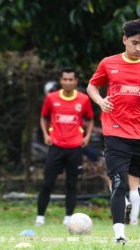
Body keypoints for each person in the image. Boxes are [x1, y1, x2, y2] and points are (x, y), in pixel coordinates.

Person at [87, 18, 140, 244]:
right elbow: (92, 86)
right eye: (134, 43)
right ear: (124, 40)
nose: (138, 48)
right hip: (115, 132)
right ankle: (119, 235)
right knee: (118, 183)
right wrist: (100, 101)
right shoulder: (108, 63)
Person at [35, 68, 94, 226]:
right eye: (65, 79)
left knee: (71, 184)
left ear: (75, 82)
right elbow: (43, 117)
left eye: (71, 80)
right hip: (56, 146)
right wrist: (46, 135)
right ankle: (40, 217)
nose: (68, 82)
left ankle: (68, 217)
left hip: (75, 148)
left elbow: (90, 119)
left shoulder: (83, 99)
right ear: (61, 81)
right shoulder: (51, 98)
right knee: (48, 183)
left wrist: (87, 136)